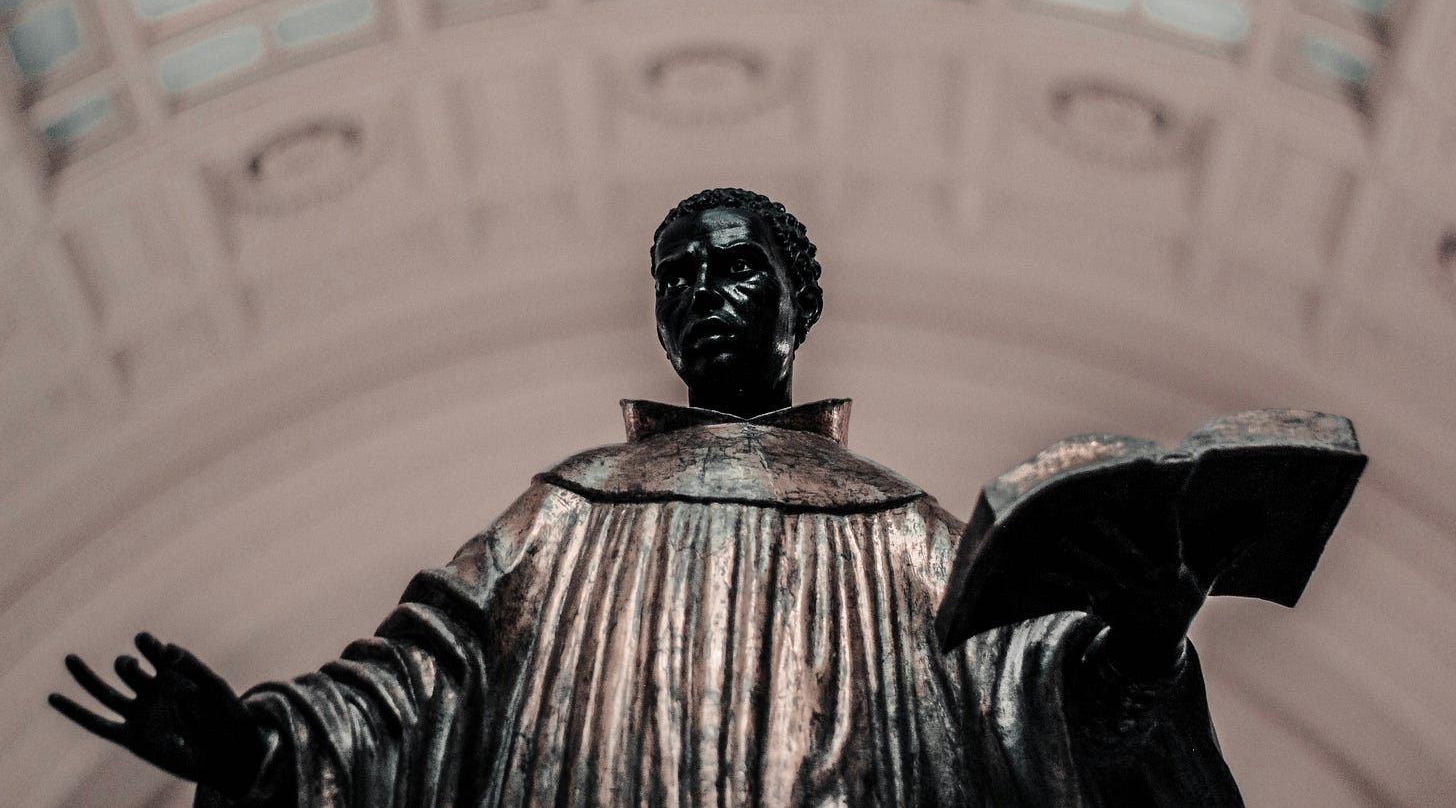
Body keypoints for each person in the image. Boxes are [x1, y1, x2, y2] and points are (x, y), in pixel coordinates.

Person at [52, 188, 1241, 806]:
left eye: (735, 266)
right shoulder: (566, 514)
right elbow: (411, 690)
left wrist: (1141, 636)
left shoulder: (904, 534)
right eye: (674, 274)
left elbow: (1039, 725)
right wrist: (253, 740)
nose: (700, 291)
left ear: (798, 305)